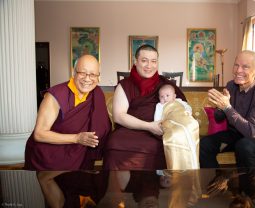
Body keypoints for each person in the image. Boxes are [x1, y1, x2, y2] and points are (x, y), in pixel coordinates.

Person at [24, 55, 111, 208]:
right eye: (82, 73)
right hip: (49, 156)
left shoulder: (97, 94)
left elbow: (102, 126)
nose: (87, 79)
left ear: (98, 77)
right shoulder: (56, 95)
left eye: (93, 74)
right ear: (73, 72)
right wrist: (77, 138)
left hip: (77, 156)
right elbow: (39, 134)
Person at [104, 44, 186, 170]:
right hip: (130, 129)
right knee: (115, 142)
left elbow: (180, 109)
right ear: (135, 62)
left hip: (158, 131)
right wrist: (148, 126)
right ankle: (117, 189)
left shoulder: (165, 85)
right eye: (144, 61)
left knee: (167, 143)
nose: (149, 66)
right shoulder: (125, 85)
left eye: (153, 61)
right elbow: (119, 116)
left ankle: (156, 186)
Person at [200, 50, 255, 168]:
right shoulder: (231, 86)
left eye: (245, 67)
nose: (238, 70)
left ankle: (247, 185)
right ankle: (217, 181)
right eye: (236, 65)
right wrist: (219, 107)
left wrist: (227, 107)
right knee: (204, 144)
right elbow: (219, 118)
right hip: (233, 134)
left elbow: (251, 132)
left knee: (245, 147)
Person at [154, 84, 199, 170]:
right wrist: (159, 124)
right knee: (175, 133)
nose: (165, 98)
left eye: (167, 95)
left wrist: (188, 114)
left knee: (192, 125)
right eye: (161, 96)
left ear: (174, 96)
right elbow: (157, 118)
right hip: (171, 122)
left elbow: (188, 108)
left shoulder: (179, 101)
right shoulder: (159, 105)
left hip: (184, 119)